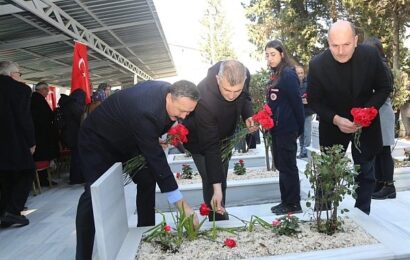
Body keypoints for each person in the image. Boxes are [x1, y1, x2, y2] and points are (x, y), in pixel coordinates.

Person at [75, 80, 200, 259]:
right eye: (181, 110)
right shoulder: (145, 109)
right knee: (93, 196)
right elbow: (156, 158)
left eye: (189, 111)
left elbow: (147, 132)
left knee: (147, 178)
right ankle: (82, 256)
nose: (184, 116)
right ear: (169, 97)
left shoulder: (169, 96)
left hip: (128, 139)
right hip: (98, 141)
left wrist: (150, 137)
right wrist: (182, 205)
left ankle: (145, 233)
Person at [307, 21, 391, 214]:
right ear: (328, 42)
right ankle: (323, 213)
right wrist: (336, 119)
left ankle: (362, 214)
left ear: (355, 40)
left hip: (366, 124)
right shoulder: (317, 64)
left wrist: (367, 112)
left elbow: (383, 87)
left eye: (346, 44)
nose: (341, 51)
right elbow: (314, 101)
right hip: (332, 124)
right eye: (335, 45)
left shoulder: (370, 56)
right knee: (328, 173)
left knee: (366, 172)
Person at [183, 60, 255, 220]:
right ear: (218, 79)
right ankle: (217, 217)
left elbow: (245, 97)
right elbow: (211, 147)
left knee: (221, 176)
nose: (231, 95)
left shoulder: (245, 74)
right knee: (211, 178)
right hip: (200, 140)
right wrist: (217, 188)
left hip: (225, 136)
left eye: (236, 91)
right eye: (227, 90)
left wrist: (248, 115)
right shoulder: (203, 97)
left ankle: (220, 209)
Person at [264, 40, 305, 215]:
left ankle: (293, 203)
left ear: (282, 54)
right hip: (277, 128)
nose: (269, 58)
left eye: (273, 54)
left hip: (287, 128)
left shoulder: (288, 74)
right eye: (267, 55)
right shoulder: (276, 74)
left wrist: (299, 128)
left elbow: (297, 103)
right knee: (281, 165)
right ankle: (285, 201)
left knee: (288, 165)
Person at [0, 61, 36, 227]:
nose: (20, 77)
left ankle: (5, 212)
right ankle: (13, 211)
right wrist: (31, 141)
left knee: (5, 177)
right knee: (26, 173)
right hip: (15, 141)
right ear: (11, 74)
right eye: (19, 74)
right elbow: (24, 118)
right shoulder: (20, 89)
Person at [362, 37, 396, 200]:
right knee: (377, 149)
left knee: (384, 150)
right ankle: (379, 182)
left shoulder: (381, 66)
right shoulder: (373, 66)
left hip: (382, 111)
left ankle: (389, 185)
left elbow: (385, 90)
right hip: (375, 112)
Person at [31, 82, 59, 186]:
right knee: (42, 156)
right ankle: (43, 180)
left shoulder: (35, 99)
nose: (47, 92)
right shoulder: (38, 101)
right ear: (42, 89)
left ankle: (42, 179)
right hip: (42, 135)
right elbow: (46, 117)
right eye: (47, 90)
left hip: (39, 134)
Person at [58, 89, 87, 184]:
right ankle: (76, 178)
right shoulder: (74, 105)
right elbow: (80, 117)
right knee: (77, 157)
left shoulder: (67, 103)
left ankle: (76, 177)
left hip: (69, 134)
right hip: (74, 135)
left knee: (76, 156)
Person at [295, 65, 314, 158]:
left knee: (307, 132)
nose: (300, 75)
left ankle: (305, 151)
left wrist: (308, 100)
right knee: (301, 133)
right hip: (298, 112)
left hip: (307, 111)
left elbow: (314, 95)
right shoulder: (293, 83)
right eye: (298, 73)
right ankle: (302, 150)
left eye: (301, 73)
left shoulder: (309, 83)